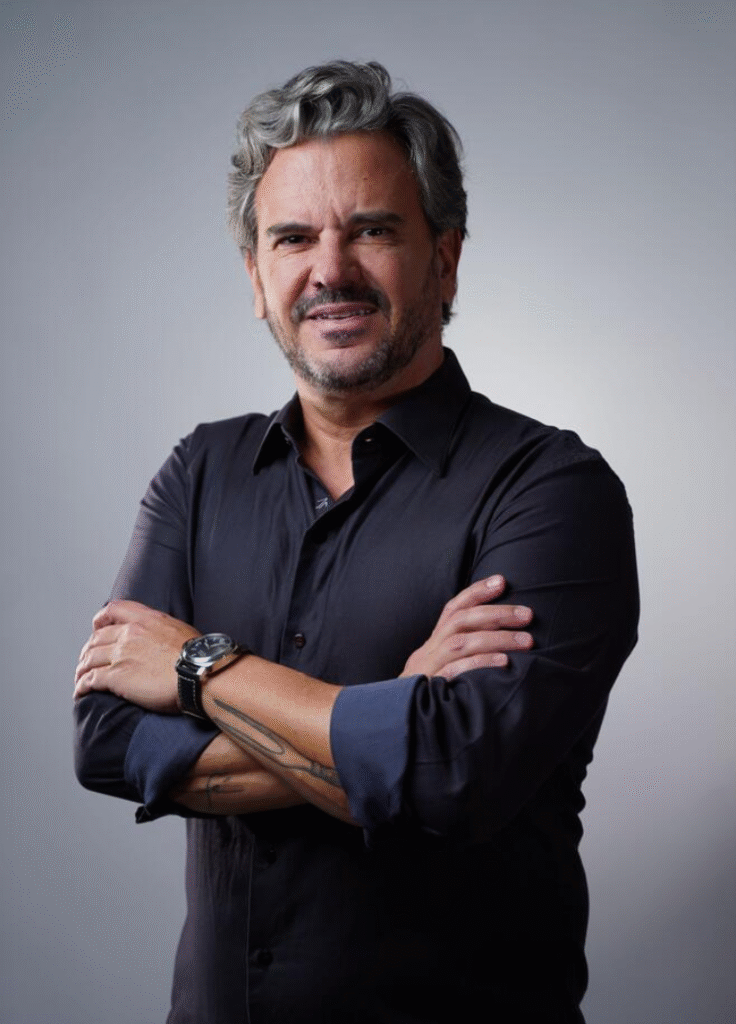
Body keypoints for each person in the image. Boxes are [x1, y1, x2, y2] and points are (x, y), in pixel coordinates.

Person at [73, 61, 638, 1023]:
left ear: (445, 259)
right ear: (257, 279)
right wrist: (388, 716)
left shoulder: (551, 490)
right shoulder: (200, 473)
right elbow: (107, 739)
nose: (329, 270)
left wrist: (196, 669)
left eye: (371, 230)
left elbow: (453, 775)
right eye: (293, 238)